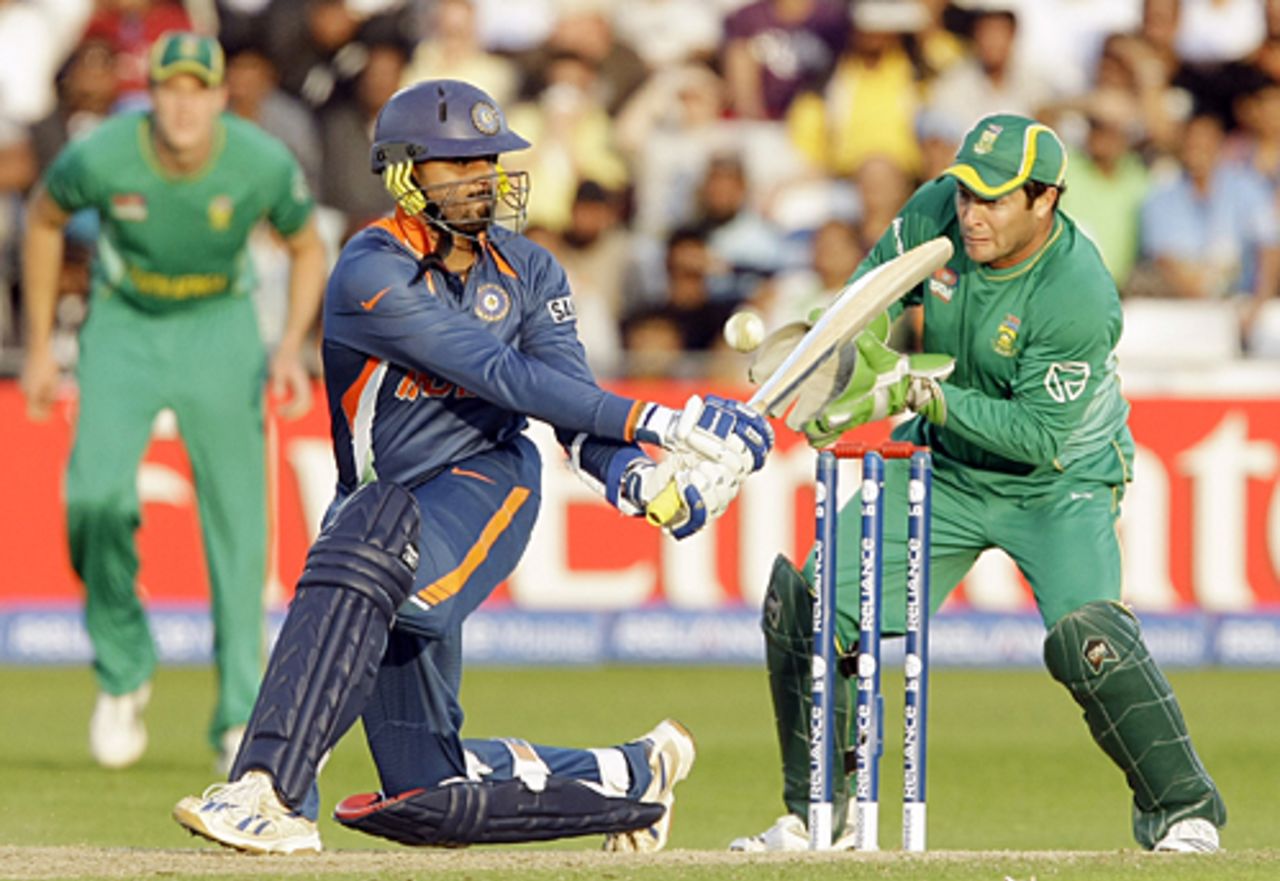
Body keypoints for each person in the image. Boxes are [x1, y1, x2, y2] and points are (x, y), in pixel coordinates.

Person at [172, 79, 774, 854]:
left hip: (482, 486)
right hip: (373, 521)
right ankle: (630, 775)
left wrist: (640, 479)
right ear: (404, 173)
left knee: (372, 533)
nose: (481, 177)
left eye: (487, 160)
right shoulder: (369, 270)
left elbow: (567, 402)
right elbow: (500, 372)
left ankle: (268, 790)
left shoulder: (531, 273)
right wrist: (662, 419)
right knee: (425, 787)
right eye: (456, 164)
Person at [729, 113, 1226, 853]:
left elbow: (1038, 435)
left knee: (1091, 642)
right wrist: (834, 372)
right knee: (808, 608)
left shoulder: (1078, 289)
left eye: (994, 200)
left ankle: (1183, 810)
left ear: (1045, 199)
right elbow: (866, 302)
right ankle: (817, 816)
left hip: (1058, 483)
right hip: (947, 471)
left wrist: (920, 392)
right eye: (966, 193)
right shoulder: (937, 212)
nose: (971, 213)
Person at [20, 31, 327, 771]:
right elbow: (42, 219)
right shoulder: (103, 153)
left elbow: (307, 245)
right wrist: (36, 347)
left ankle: (237, 717)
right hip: (124, 321)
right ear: (149, 95)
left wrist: (289, 345)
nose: (185, 106)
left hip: (218, 322)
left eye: (200, 90)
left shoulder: (257, 160)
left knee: (238, 523)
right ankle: (124, 669)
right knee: (92, 498)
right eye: (170, 89)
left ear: (222, 97)